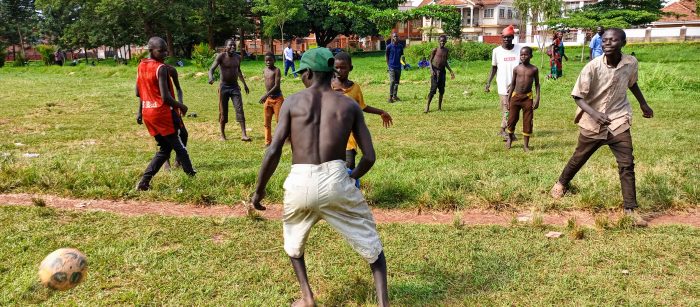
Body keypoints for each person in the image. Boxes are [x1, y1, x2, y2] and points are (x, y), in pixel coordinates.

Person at [250, 48, 389, 307]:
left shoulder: (292, 102)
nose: (302, 77)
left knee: (293, 243)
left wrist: (258, 191)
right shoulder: (349, 104)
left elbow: (274, 149)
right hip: (336, 176)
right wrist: (351, 177)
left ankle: (307, 298)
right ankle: (384, 304)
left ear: (310, 73)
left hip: (299, 179)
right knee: (374, 249)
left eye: (302, 73)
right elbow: (369, 156)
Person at [550, 29, 654, 227]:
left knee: (627, 163)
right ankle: (562, 183)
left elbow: (632, 84)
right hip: (593, 122)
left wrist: (643, 103)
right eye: (604, 40)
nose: (607, 43)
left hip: (618, 120)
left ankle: (630, 210)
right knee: (579, 157)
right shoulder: (593, 67)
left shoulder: (631, 63)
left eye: (612, 40)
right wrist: (595, 114)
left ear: (623, 42)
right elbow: (577, 96)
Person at [135, 37, 196, 191]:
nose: (164, 53)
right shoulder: (160, 68)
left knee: (164, 149)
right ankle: (192, 178)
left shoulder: (141, 65)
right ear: (151, 50)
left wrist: (140, 110)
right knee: (180, 146)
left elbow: (138, 91)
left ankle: (144, 182)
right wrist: (182, 105)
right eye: (160, 50)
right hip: (162, 113)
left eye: (165, 50)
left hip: (148, 112)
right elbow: (166, 97)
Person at [332, 51, 393, 169]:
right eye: (336, 68)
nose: (339, 71)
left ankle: (351, 185)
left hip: (348, 136)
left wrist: (381, 112)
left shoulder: (355, 88)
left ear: (351, 68)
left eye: (343, 68)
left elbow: (362, 106)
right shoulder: (328, 86)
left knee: (349, 165)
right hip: (330, 134)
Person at [208, 38, 251, 141]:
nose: (232, 47)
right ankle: (222, 135)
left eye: (234, 45)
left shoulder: (238, 57)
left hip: (235, 87)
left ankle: (244, 134)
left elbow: (239, 71)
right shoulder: (221, 56)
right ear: (225, 47)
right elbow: (211, 69)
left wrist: (245, 84)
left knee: (239, 109)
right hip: (224, 87)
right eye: (230, 45)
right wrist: (211, 77)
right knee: (223, 111)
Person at [485, 25, 522, 139]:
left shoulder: (519, 49)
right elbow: (494, 68)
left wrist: (515, 82)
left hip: (517, 86)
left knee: (514, 109)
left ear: (513, 37)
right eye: (504, 37)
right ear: (502, 38)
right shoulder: (496, 51)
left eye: (509, 37)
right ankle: (508, 131)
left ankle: (504, 129)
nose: (506, 39)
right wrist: (488, 83)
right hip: (502, 86)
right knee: (507, 109)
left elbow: (522, 67)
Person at [505, 47, 540, 151]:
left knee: (528, 121)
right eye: (521, 55)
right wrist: (508, 99)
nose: (523, 56)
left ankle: (525, 145)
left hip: (527, 98)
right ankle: (510, 139)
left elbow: (537, 85)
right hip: (515, 97)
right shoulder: (516, 69)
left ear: (531, 56)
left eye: (526, 54)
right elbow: (513, 84)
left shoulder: (534, 69)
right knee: (511, 120)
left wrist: (537, 99)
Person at [424, 35, 456, 113]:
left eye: (444, 41)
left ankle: (439, 107)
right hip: (435, 71)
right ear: (439, 41)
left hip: (442, 72)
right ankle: (427, 107)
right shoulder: (435, 50)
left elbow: (445, 62)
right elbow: (430, 61)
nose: (442, 42)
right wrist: (431, 70)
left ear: (445, 42)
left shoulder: (446, 50)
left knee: (441, 90)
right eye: (441, 41)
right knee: (433, 89)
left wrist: (451, 71)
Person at [259, 52, 284, 147]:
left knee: (279, 121)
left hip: (277, 99)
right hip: (268, 100)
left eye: (270, 60)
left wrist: (265, 95)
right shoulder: (264, 70)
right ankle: (267, 141)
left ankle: (280, 140)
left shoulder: (277, 70)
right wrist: (267, 97)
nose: (268, 62)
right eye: (266, 60)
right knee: (266, 122)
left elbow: (277, 85)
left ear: (274, 60)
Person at [385, 32, 404, 103]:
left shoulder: (400, 46)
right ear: (392, 38)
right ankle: (390, 97)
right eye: (394, 36)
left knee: (396, 82)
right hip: (391, 67)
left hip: (398, 67)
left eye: (397, 36)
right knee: (392, 81)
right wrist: (388, 65)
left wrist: (403, 63)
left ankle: (395, 96)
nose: (396, 38)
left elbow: (402, 56)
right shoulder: (389, 46)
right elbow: (386, 55)